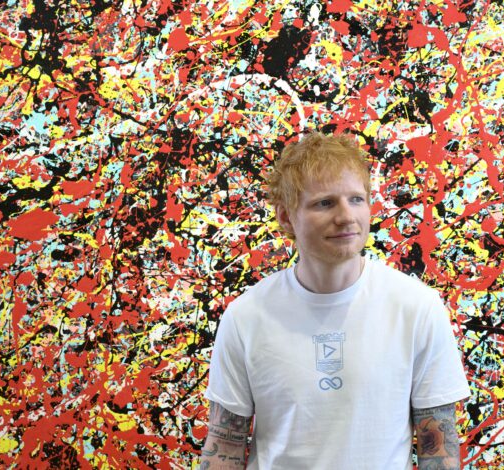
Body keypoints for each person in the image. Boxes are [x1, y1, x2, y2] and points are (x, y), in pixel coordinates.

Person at [200, 132, 470, 469]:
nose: (346, 216)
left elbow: (438, 449)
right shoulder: (246, 316)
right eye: (325, 203)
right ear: (285, 217)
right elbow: (224, 446)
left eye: (356, 199)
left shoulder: (417, 308)